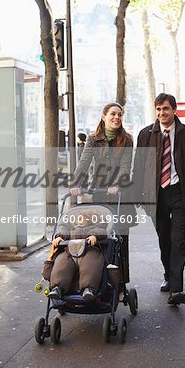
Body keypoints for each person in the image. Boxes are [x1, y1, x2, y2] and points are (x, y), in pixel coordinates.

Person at [133, 93, 185, 306]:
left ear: (174, 110)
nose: (161, 113)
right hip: (156, 195)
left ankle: (177, 288)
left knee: (178, 240)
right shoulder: (145, 135)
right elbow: (139, 167)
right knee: (164, 239)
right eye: (158, 109)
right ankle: (169, 275)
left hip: (180, 193)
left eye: (165, 109)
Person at [70, 102, 135, 284]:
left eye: (119, 115)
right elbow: (84, 163)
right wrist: (76, 184)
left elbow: (125, 166)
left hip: (119, 195)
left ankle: (120, 283)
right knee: (97, 237)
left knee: (120, 240)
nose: (116, 117)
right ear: (103, 116)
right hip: (99, 194)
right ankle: (95, 281)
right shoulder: (93, 139)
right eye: (113, 114)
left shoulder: (127, 139)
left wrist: (117, 185)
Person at [48, 212, 108, 301]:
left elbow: (102, 231)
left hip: (90, 250)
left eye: (81, 218)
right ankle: (58, 288)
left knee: (90, 266)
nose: (78, 221)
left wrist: (94, 236)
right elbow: (63, 229)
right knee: (62, 263)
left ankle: (89, 288)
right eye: (77, 219)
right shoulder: (71, 229)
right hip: (69, 251)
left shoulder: (96, 228)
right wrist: (60, 237)